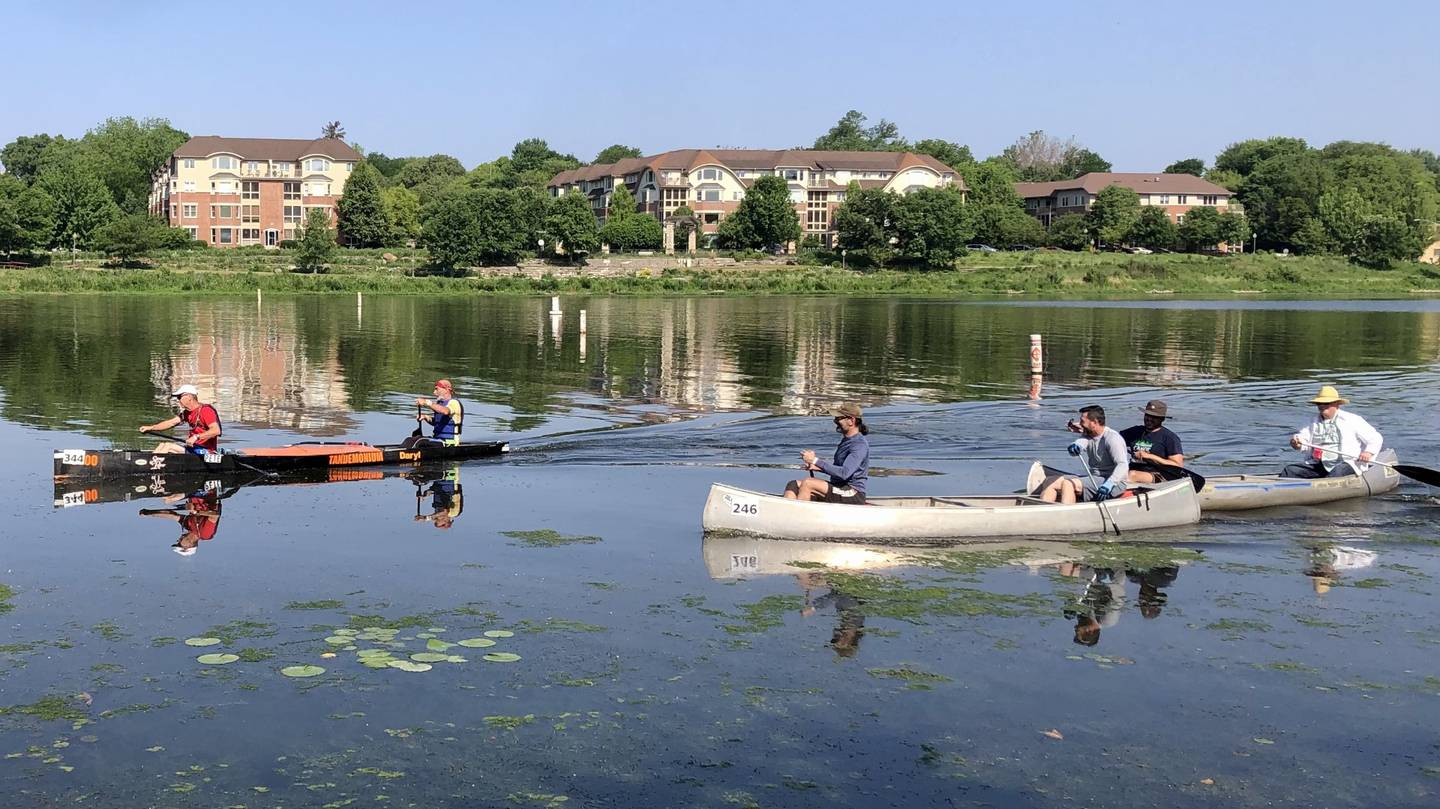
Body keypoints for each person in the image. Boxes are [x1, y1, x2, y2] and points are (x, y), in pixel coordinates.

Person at [1282, 385, 1382, 478]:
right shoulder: (1311, 422)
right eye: (1319, 403)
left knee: (1337, 472)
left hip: (1347, 462)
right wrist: (1297, 443)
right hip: (1319, 464)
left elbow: (1375, 438)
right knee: (1290, 470)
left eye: (1326, 403)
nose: (1322, 406)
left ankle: (1323, 490)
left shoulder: (1352, 419)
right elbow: (1302, 439)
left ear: (1337, 404)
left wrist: (1368, 452)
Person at [1039, 405, 1129, 504]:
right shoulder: (1089, 435)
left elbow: (1123, 465)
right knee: (1049, 481)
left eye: (1082, 421)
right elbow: (1081, 442)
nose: (1080, 424)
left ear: (1094, 422)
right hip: (1094, 478)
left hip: (1114, 483)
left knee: (1068, 484)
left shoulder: (1112, 438)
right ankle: (1042, 512)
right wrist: (1075, 446)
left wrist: (1109, 484)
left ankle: (1066, 515)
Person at [782, 404, 870, 505]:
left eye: (839, 418)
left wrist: (815, 461)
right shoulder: (846, 441)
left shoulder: (859, 445)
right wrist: (818, 467)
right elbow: (839, 469)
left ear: (851, 420)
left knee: (808, 483)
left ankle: (798, 515)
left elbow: (844, 473)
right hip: (838, 487)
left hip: (853, 493)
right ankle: (787, 512)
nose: (835, 421)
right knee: (793, 485)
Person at [139, 384, 222, 455]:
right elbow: (171, 423)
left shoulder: (206, 410)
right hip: (192, 449)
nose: (178, 400)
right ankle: (150, 464)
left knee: (168, 446)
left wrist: (196, 437)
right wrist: (151, 428)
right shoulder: (187, 413)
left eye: (179, 397)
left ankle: (149, 466)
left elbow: (216, 431)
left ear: (189, 397)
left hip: (206, 451)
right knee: (163, 445)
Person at [139, 488, 222, 556]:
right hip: (206, 493)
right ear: (189, 545)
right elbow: (215, 515)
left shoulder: (188, 526)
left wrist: (149, 513)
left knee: (167, 500)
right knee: (172, 498)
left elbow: (171, 515)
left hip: (193, 493)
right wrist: (196, 511)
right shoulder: (205, 534)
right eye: (179, 543)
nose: (178, 540)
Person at [1120, 400, 1185, 484]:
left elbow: (1178, 466)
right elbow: (1114, 439)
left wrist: (1150, 456)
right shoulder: (1135, 432)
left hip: (1159, 474)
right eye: (1147, 415)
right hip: (1133, 468)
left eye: (1154, 417)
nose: (1149, 419)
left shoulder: (1170, 438)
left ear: (1162, 419)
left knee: (1132, 475)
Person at [412, 379, 464, 447]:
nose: (434, 392)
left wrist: (427, 402)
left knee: (421, 442)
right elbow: (437, 422)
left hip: (450, 442)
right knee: (412, 439)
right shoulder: (439, 404)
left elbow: (446, 411)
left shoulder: (454, 403)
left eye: (437, 389)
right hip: (437, 440)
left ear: (447, 389)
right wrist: (425, 417)